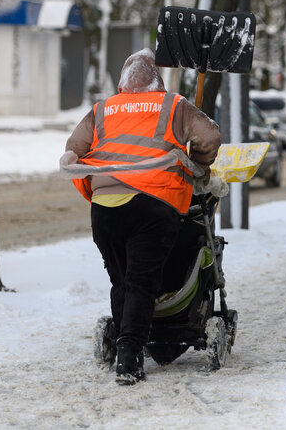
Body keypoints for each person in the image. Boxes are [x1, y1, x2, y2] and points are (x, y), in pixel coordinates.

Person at [62, 48, 221, 385]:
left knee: (122, 280)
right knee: (141, 282)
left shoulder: (102, 110)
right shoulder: (172, 105)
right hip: (153, 202)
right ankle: (130, 357)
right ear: (157, 81)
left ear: (122, 82)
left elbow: (74, 148)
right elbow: (209, 135)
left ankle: (125, 342)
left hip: (105, 207)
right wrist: (200, 166)